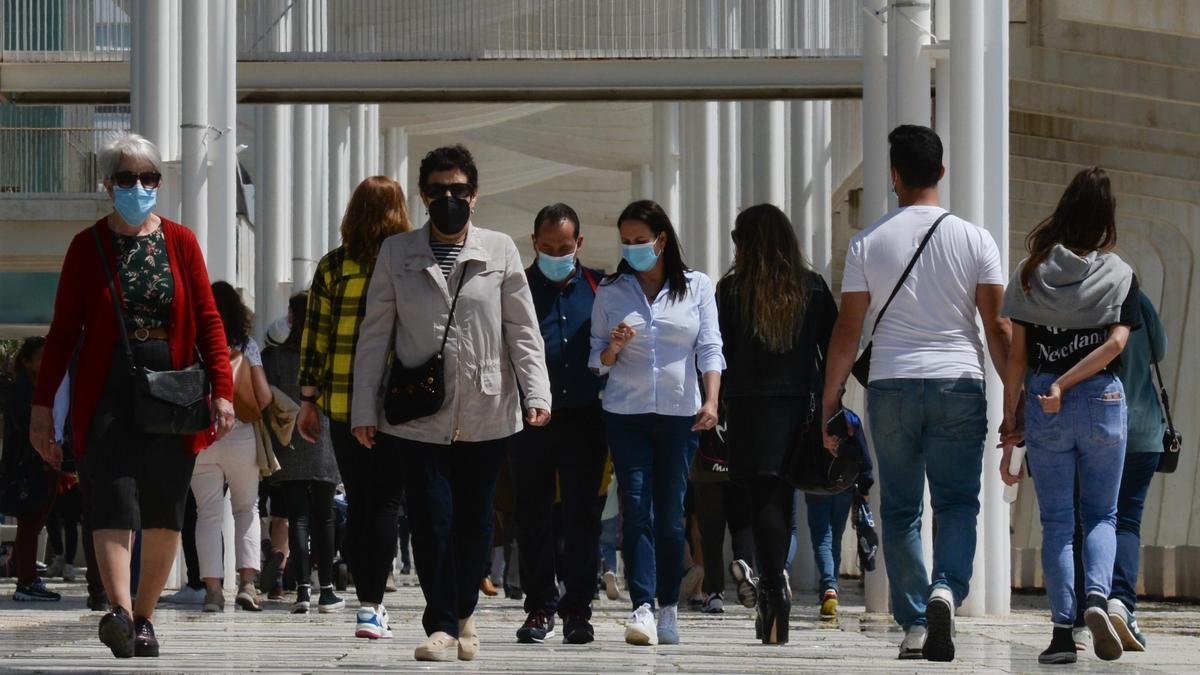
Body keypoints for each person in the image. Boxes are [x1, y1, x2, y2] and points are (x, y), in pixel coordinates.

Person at [29, 132, 235, 659]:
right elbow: (62, 333)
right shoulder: (87, 246)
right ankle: (119, 610)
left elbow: (209, 321)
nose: (139, 187)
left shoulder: (181, 242)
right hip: (107, 391)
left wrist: (222, 390)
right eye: (127, 178)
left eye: (149, 178)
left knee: (165, 508)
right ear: (108, 184)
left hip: (174, 387)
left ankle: (145, 618)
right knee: (113, 501)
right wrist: (41, 406)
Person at [352, 144, 551, 662]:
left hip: (488, 407)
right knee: (430, 519)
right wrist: (363, 409)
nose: (449, 199)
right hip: (419, 413)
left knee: (475, 520)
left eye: (458, 191)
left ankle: (465, 615)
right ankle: (440, 624)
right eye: (438, 190)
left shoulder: (500, 249)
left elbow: (523, 330)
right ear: (422, 195)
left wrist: (537, 393)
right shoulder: (397, 253)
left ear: (475, 195)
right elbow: (375, 335)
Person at [821, 125, 1010, 662]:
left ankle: (913, 623)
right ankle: (946, 590)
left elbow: (847, 332)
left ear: (894, 176)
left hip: (892, 386)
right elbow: (997, 329)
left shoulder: (868, 243)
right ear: (942, 174)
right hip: (959, 383)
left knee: (901, 508)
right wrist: (1015, 401)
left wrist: (829, 403)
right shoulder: (976, 240)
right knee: (956, 503)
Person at [999, 166, 1136, 665]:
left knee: (1057, 522)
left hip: (1043, 404)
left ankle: (1061, 635)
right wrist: (1076, 379)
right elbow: (1119, 342)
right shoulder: (1119, 274)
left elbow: (1017, 355)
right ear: (1105, 219)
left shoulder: (1031, 272)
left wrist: (1013, 413)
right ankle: (1097, 600)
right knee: (1101, 514)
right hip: (1103, 401)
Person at [590, 199, 724, 647]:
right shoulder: (611, 291)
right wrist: (613, 347)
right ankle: (642, 605)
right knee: (636, 509)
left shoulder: (697, 287)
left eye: (641, 241)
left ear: (661, 240)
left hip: (678, 415)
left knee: (670, 516)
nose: (633, 250)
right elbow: (596, 360)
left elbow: (710, 347)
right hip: (625, 414)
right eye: (626, 243)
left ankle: (669, 605)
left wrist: (711, 400)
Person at [717, 204, 839, 643]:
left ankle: (773, 592)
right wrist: (831, 404)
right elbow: (833, 350)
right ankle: (774, 590)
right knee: (783, 500)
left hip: (748, 411)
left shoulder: (730, 291)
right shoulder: (814, 289)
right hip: (799, 410)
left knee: (764, 502)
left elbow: (718, 353)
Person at [297, 175, 412, 636]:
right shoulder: (409, 264)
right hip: (400, 403)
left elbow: (315, 337)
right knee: (386, 501)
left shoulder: (333, 266)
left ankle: (366, 605)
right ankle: (371, 603)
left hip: (343, 403)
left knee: (360, 499)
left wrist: (308, 399)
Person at [509, 203, 609, 645]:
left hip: (587, 419)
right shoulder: (516, 288)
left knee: (582, 517)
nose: (555, 253)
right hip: (529, 419)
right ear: (533, 243)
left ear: (579, 244)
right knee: (531, 514)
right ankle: (538, 606)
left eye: (564, 247)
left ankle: (578, 609)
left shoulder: (600, 287)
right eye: (547, 247)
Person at [1070, 289, 1166, 653]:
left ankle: (1081, 619)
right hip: (1142, 430)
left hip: (1094, 424)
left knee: (1086, 520)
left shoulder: (1078, 300)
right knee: (1125, 521)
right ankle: (1120, 604)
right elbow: (1160, 351)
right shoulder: (1139, 301)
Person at [192, 282, 272, 613]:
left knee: (207, 514)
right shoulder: (247, 345)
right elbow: (263, 397)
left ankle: (212, 592)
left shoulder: (194, 343)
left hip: (203, 436)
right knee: (246, 509)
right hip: (241, 436)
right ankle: (248, 585)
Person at [263, 292, 345, 615]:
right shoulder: (328, 352)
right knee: (324, 515)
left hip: (290, 440)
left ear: (292, 316)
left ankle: (302, 591)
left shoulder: (276, 356)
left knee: (296, 515)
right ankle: (326, 590)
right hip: (324, 439)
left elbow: (267, 395)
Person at [3, 337, 61, 602]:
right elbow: (25, 425)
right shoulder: (22, 389)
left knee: (35, 523)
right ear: (27, 361)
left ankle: (27, 577)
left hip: (44, 466)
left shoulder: (45, 388)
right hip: (28, 467)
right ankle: (26, 581)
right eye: (40, 357)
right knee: (29, 523)